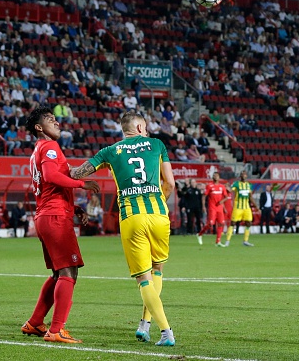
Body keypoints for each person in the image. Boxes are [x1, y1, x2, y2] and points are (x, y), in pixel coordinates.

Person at [69, 111, 176, 346]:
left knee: (143, 279)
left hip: (132, 217)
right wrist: (160, 203)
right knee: (157, 269)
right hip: (159, 214)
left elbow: (76, 173)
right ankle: (144, 325)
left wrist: (59, 167)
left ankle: (166, 332)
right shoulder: (157, 144)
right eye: (145, 127)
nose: (147, 131)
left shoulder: (109, 151)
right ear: (139, 128)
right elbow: (170, 183)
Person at [21, 107, 99, 343]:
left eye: (55, 119)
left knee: (58, 273)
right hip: (54, 217)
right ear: (38, 127)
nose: (56, 122)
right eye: (49, 120)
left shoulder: (38, 150)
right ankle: (56, 330)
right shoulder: (49, 147)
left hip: (48, 214)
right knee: (68, 272)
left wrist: (74, 208)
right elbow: (52, 177)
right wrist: (81, 185)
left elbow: (48, 187)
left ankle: (35, 323)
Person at [225, 170, 258, 246]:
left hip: (246, 208)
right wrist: (227, 187)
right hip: (238, 207)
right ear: (240, 176)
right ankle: (227, 241)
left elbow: (250, 197)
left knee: (249, 223)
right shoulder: (236, 184)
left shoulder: (249, 185)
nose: (244, 175)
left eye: (245, 174)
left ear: (246, 176)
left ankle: (245, 241)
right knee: (233, 223)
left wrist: (256, 206)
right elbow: (230, 190)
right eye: (242, 174)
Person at [197, 171, 229, 246]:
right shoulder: (209, 186)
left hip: (220, 208)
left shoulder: (222, 187)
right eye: (214, 176)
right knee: (210, 224)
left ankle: (218, 241)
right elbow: (204, 196)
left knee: (221, 223)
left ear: (219, 177)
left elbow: (226, 197)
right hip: (212, 208)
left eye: (217, 175)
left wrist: (222, 202)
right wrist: (203, 206)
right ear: (212, 177)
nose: (215, 177)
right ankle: (200, 234)